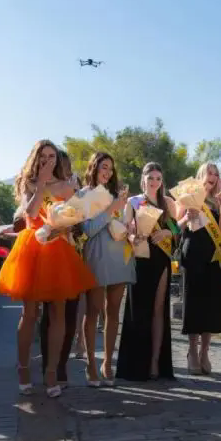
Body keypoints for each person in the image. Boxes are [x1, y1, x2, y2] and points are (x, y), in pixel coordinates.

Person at [0, 140, 96, 397]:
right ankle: (23, 369)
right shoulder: (28, 184)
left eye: (52, 156)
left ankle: (52, 372)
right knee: (29, 313)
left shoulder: (66, 186)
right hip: (31, 248)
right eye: (43, 155)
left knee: (58, 313)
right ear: (36, 158)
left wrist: (60, 227)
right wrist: (40, 184)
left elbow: (75, 219)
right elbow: (30, 214)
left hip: (58, 249)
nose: (48, 160)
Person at [116, 162, 179, 381]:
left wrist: (167, 233)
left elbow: (176, 227)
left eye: (158, 178)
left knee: (158, 309)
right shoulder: (133, 202)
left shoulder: (167, 202)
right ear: (143, 179)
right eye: (150, 177)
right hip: (141, 257)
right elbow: (126, 230)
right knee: (139, 310)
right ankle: (137, 363)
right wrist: (133, 237)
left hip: (161, 258)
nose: (154, 182)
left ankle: (155, 362)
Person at [80, 152, 134, 386]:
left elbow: (123, 225)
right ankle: (91, 364)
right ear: (94, 168)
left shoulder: (118, 195)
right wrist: (112, 208)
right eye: (104, 167)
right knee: (93, 311)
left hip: (120, 256)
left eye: (111, 168)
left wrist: (132, 227)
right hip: (96, 256)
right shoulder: (83, 195)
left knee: (113, 312)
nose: (108, 172)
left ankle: (108, 363)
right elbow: (89, 230)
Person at [177, 162, 221, 375]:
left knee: (211, 305)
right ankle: (192, 351)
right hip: (193, 253)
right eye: (210, 172)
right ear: (201, 175)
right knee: (194, 303)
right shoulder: (188, 194)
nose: (213, 176)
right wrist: (186, 216)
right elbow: (176, 224)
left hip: (213, 255)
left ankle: (204, 352)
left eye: (216, 174)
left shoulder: (219, 200)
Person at [39, 150, 84, 386]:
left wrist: (71, 224)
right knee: (50, 315)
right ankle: (48, 365)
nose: (64, 170)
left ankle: (61, 365)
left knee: (70, 315)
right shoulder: (44, 188)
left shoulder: (75, 188)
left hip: (73, 255)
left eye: (67, 166)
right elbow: (23, 217)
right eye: (61, 165)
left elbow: (83, 222)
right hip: (49, 255)